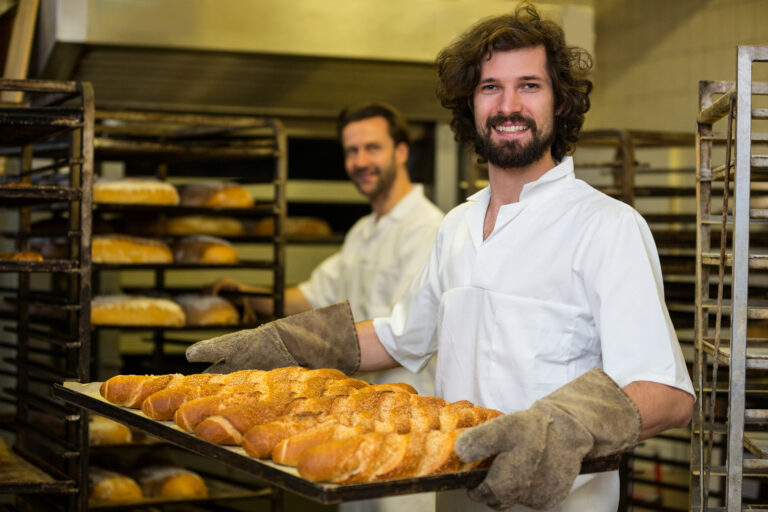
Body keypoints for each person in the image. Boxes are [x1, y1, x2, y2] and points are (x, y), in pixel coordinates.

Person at [188, 3, 694, 511]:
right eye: (490, 87)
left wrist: (558, 427)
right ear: (470, 105)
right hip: (455, 497)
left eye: (530, 85)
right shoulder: (458, 226)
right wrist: (287, 342)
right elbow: (401, 334)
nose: (509, 105)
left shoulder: (605, 226)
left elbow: (667, 393)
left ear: (560, 102)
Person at [210, 102, 443, 512]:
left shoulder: (427, 229)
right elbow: (313, 296)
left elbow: (401, 333)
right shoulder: (362, 232)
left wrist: (296, 347)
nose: (360, 161)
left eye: (372, 148)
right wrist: (247, 294)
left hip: (404, 420)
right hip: (354, 417)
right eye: (352, 151)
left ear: (402, 151)